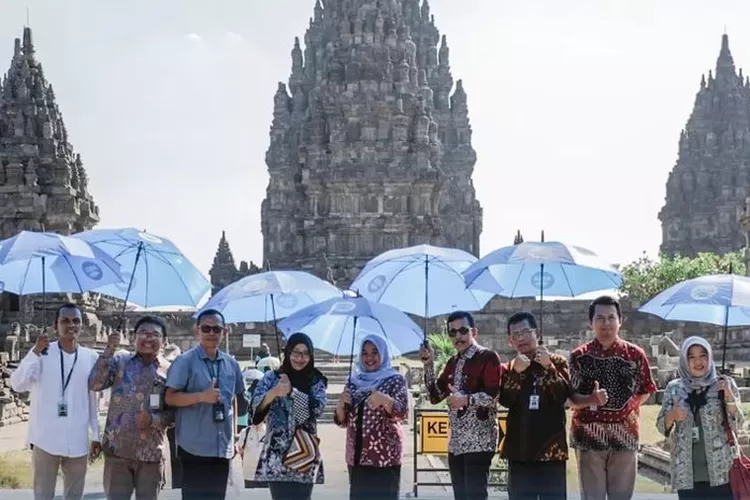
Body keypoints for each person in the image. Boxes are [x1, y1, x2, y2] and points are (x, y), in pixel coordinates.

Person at [568, 295, 657, 500]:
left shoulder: (635, 355)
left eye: (611, 317)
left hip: (625, 435)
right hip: (589, 437)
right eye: (600, 318)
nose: (606, 323)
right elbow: (572, 398)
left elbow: (646, 388)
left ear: (620, 321)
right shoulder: (578, 356)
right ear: (591, 322)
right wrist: (591, 400)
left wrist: (628, 408)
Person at [9, 303, 101, 500]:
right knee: (43, 494)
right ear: (55, 325)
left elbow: (93, 398)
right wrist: (34, 352)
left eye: (76, 321)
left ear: (82, 325)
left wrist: (96, 435)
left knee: (74, 495)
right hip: (45, 437)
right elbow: (17, 385)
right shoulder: (42, 353)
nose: (71, 325)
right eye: (65, 321)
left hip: (77, 437)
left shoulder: (90, 357)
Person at [89, 315, 174, 500]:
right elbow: (95, 384)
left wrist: (153, 420)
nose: (148, 338)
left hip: (151, 453)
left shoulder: (171, 370)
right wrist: (109, 349)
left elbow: (176, 414)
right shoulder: (120, 361)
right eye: (143, 333)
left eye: (155, 334)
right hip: (117, 452)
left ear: (165, 341)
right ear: (134, 337)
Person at [419, 311, 502, 500]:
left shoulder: (487, 357)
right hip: (456, 443)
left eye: (463, 331)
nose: (458, 336)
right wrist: (428, 366)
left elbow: (493, 396)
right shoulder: (453, 362)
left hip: (479, 441)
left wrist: (466, 399)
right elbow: (435, 396)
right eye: (453, 332)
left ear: (474, 332)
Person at [164, 309, 245, 500]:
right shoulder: (185, 361)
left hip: (221, 446)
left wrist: (233, 436)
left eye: (216, 329)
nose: (211, 333)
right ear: (197, 331)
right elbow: (170, 398)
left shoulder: (231, 364)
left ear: (224, 332)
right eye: (206, 328)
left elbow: (233, 397)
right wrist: (201, 396)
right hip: (194, 447)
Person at [656, 336, 744, 499]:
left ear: (709, 357)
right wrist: (672, 415)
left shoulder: (724, 384)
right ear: (684, 360)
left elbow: (738, 423)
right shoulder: (674, 388)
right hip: (687, 474)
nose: (698, 362)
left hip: (722, 473)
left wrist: (729, 397)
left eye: (703, 355)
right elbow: (662, 427)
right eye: (692, 357)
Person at [500, 312, 570, 500]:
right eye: (515, 334)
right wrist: (516, 374)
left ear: (537, 334)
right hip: (520, 452)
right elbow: (505, 400)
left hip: (552, 452)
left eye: (526, 331)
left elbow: (563, 396)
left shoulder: (557, 362)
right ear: (510, 341)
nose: (521, 338)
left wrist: (548, 368)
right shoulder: (508, 368)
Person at [251, 332, 328, 500]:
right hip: (277, 455)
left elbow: (316, 410)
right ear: (288, 353)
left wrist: (293, 392)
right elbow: (255, 413)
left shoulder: (316, 380)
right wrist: (274, 392)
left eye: (306, 353)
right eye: (296, 352)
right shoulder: (271, 378)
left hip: (304, 452)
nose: (300, 358)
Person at [334, 334, 409, 500]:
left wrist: (385, 400)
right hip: (357, 457)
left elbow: (402, 412)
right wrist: (341, 405)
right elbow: (342, 421)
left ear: (382, 354)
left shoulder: (395, 379)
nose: (369, 358)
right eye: (365, 353)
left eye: (375, 352)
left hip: (384, 457)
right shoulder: (353, 381)